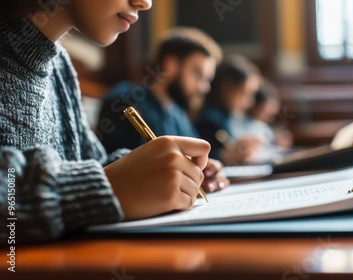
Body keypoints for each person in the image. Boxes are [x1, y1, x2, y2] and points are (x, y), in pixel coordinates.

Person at [0, 0, 218, 243]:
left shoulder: (60, 66)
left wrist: (173, 172)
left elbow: (90, 162)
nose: (145, 3)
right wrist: (104, 188)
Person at [98, 27, 228, 192]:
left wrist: (207, 170)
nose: (204, 88)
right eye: (198, 74)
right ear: (171, 64)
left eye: (207, 80)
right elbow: (121, 168)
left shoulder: (178, 113)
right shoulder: (124, 101)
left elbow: (195, 160)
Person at [196, 55, 262, 165]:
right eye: (245, 93)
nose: (250, 102)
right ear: (227, 88)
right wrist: (226, 155)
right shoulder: (209, 121)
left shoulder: (228, 117)